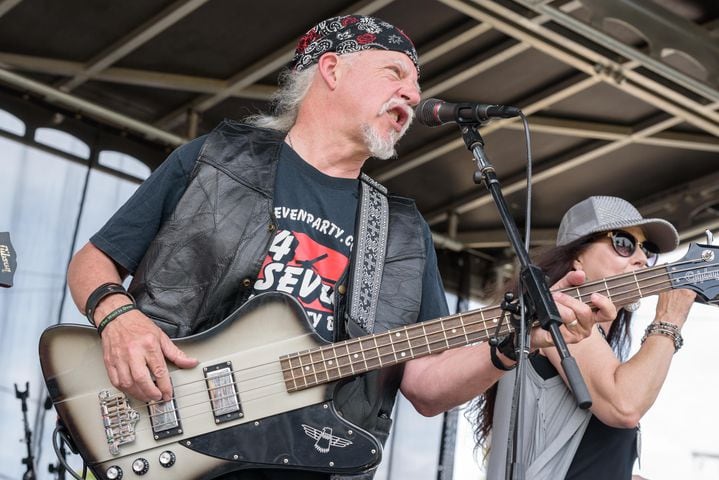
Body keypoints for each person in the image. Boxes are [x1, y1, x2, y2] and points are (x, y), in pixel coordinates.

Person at [66, 15, 615, 480]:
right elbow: (94, 261)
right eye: (395, 72)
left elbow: (424, 385)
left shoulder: (401, 231)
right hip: (164, 429)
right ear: (331, 69)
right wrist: (120, 318)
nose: (414, 94)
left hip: (305, 461)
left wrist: (510, 342)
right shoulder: (216, 160)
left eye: (417, 84)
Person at [473, 196, 697, 480]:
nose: (642, 259)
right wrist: (669, 318)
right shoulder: (555, 318)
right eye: (624, 243)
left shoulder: (592, 338)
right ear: (577, 257)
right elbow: (624, 405)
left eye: (648, 250)